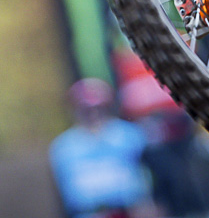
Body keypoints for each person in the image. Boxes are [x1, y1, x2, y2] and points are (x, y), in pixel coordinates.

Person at [48, 78, 157, 218]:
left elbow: (152, 176)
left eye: (98, 108)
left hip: (131, 211)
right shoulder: (62, 147)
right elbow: (60, 192)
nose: (93, 114)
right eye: (85, 109)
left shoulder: (131, 135)